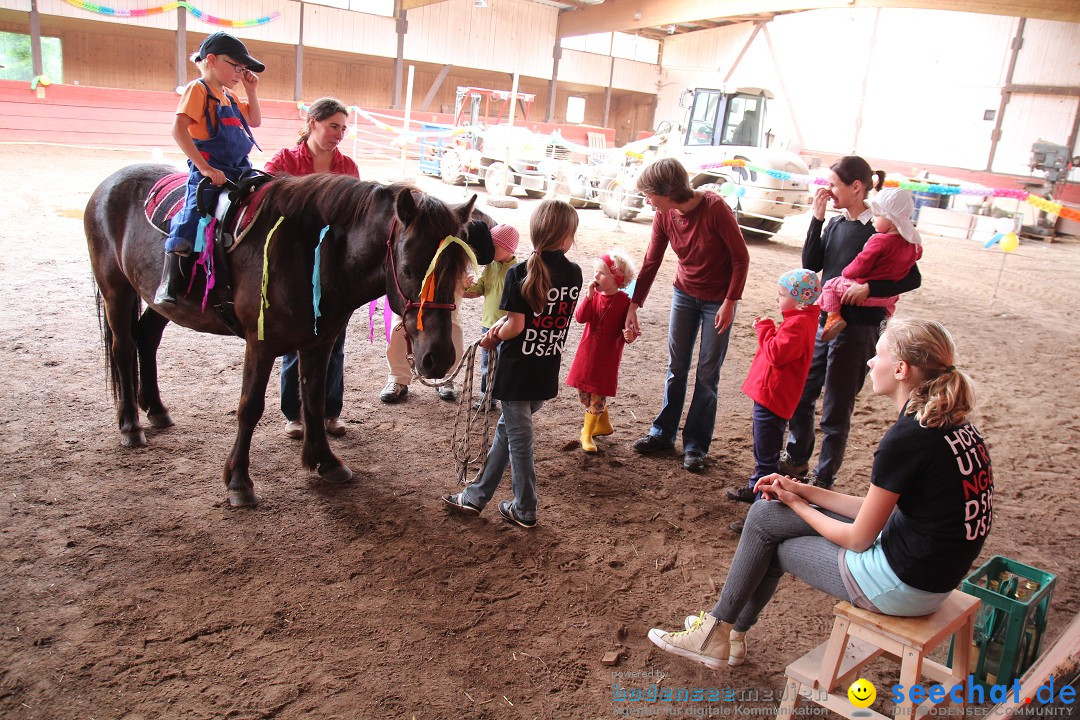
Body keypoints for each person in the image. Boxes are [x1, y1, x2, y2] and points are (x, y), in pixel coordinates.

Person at [648, 318, 993, 670]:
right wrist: (801, 490)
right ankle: (725, 633)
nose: (871, 363)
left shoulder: (908, 439)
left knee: (774, 542)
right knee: (767, 517)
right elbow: (878, 509)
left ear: (902, 369)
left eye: (878, 356)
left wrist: (797, 503)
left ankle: (720, 633)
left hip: (903, 585)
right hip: (928, 572)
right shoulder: (952, 424)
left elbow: (858, 538)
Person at [782, 156, 921, 490]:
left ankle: (823, 477)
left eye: (834, 184)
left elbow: (912, 276)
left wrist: (871, 287)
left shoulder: (883, 228)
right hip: (825, 320)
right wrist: (816, 219)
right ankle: (798, 459)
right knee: (802, 395)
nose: (829, 191)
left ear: (856, 187)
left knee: (836, 408)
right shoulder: (836, 223)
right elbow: (812, 263)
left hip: (859, 327)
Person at [442, 200, 583, 529]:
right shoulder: (573, 273)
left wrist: (493, 337)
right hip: (546, 367)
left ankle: (525, 507)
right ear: (565, 237)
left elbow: (516, 327)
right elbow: (541, 316)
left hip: (517, 371)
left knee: (519, 438)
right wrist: (506, 324)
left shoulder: (521, 273)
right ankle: (476, 497)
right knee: (508, 431)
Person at [626, 158, 750, 473]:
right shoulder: (664, 215)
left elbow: (740, 257)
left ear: (667, 191)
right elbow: (652, 260)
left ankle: (696, 444)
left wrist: (730, 301)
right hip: (684, 293)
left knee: (707, 374)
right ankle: (663, 433)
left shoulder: (715, 208)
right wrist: (633, 304)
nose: (647, 201)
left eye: (649, 194)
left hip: (716, 301)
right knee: (676, 367)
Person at [263, 97, 359, 438]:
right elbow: (264, 204)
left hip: (333, 266)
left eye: (343, 128)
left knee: (334, 340)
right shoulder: (285, 161)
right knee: (295, 338)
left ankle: (331, 411)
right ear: (313, 122)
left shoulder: (347, 167)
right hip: (295, 263)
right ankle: (296, 413)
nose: (339, 134)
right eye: (333, 126)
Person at [155, 32, 263, 305]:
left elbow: (254, 120)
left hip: (240, 168)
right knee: (194, 213)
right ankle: (171, 283)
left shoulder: (228, 95)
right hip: (210, 168)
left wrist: (251, 90)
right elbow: (178, 129)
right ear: (212, 60)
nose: (240, 73)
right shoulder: (198, 89)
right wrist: (203, 168)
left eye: (243, 68)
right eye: (235, 66)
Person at [725, 270, 821, 532]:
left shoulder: (799, 324)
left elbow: (776, 354)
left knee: (767, 457)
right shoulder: (799, 319)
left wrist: (765, 328)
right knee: (762, 451)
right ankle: (757, 484)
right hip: (770, 395)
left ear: (801, 300)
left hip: (773, 398)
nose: (777, 299)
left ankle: (761, 513)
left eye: (782, 295)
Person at [380, 221, 494, 405]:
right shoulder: (424, 226)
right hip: (417, 276)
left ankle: (445, 376)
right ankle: (397, 377)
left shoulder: (465, 228)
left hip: (447, 278)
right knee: (400, 324)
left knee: (452, 323)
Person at [820, 188, 923, 342]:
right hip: (887, 300)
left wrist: (848, 273)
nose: (873, 219)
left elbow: (861, 264)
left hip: (860, 301)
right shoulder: (912, 244)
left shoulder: (879, 240)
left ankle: (833, 316)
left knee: (830, 286)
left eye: (876, 215)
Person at [566, 249, 638, 453]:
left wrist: (629, 336)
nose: (596, 276)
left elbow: (631, 330)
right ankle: (604, 425)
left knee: (597, 397)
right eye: (596, 271)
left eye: (602, 273)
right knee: (585, 395)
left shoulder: (626, 303)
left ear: (617, 279)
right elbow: (580, 318)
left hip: (606, 358)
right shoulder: (595, 296)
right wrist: (588, 297)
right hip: (587, 354)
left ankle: (586, 434)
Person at [462, 224, 520, 412]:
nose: (489, 250)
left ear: (509, 248)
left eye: (494, 247)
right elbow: (478, 289)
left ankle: (505, 397)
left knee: (506, 365)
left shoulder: (518, 271)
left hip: (507, 327)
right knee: (487, 363)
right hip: (488, 325)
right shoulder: (490, 267)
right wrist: (464, 286)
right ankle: (487, 397)